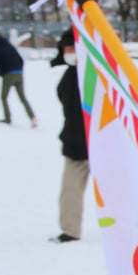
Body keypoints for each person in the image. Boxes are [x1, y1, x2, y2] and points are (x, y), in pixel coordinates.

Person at [51, 29, 87, 242]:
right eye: (65, 49)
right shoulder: (70, 76)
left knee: (116, 193)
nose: (68, 52)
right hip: (75, 144)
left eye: (72, 48)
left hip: (100, 144)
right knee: (70, 191)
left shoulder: (94, 75)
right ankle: (70, 230)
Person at [0, 30, 36, 126]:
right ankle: (32, 117)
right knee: (23, 97)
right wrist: (19, 69)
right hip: (19, 73)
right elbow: (20, 59)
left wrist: (1, 73)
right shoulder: (10, 46)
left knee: (3, 97)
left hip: (8, 74)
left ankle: (7, 118)